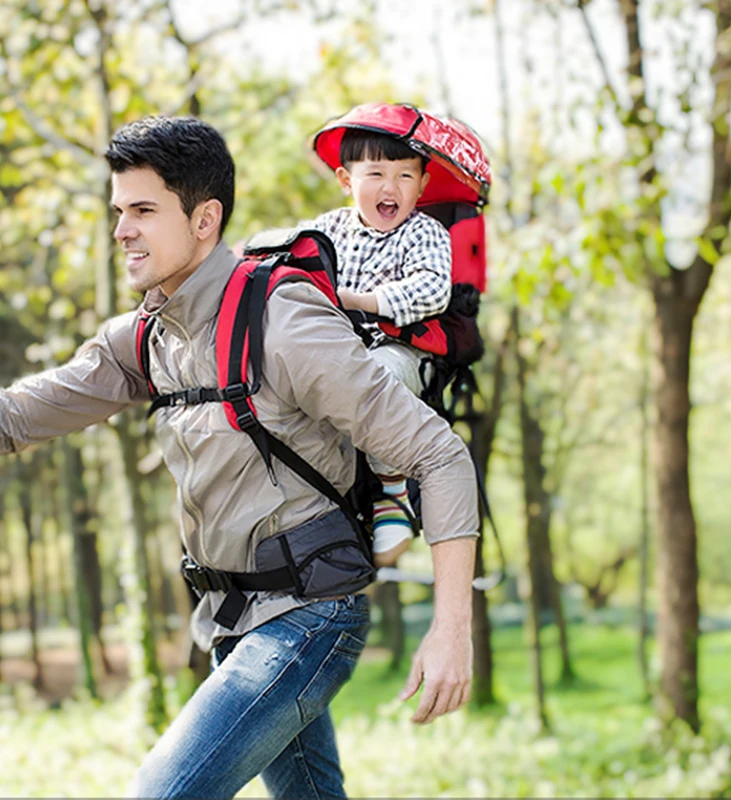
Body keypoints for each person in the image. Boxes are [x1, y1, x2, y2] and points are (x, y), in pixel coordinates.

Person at [0, 115, 478, 800]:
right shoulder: (148, 338)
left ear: (205, 219)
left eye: (142, 210)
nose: (121, 231)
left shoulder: (282, 319)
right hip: (232, 621)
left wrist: (451, 630)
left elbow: (440, 455)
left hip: (309, 620)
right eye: (118, 211)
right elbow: (17, 416)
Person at [311, 127, 453, 568]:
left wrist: (362, 301)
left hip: (397, 352)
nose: (391, 188)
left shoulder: (424, 233)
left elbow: (432, 289)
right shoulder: (325, 229)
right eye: (375, 174)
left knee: (378, 377)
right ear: (346, 180)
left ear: (423, 185)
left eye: (405, 177)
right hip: (334, 350)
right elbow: (288, 263)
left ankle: (392, 493)